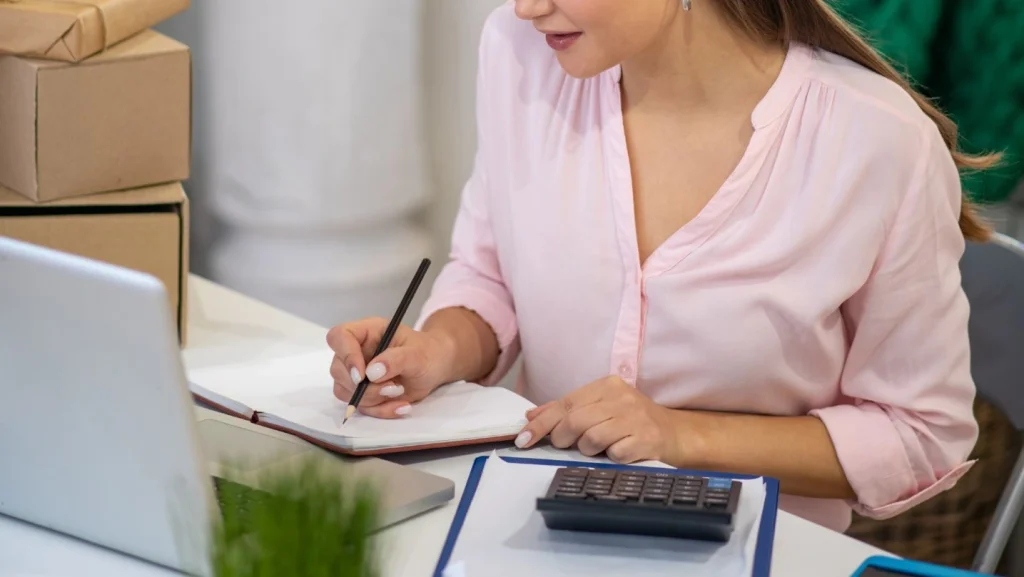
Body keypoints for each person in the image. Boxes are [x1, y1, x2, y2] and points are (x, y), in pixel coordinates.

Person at [327, 0, 998, 532]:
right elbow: (490, 270)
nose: (526, 6)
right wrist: (437, 349)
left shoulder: (876, 141)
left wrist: (677, 433)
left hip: (759, 549)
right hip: (536, 527)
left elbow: (919, 435)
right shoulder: (518, 56)